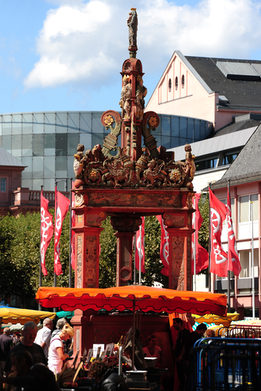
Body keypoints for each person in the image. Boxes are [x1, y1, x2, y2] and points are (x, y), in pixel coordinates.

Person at [172, 318, 192, 391]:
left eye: (175, 323)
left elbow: (185, 345)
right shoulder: (179, 333)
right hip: (179, 358)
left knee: (184, 377)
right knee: (181, 377)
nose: (173, 325)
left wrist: (181, 356)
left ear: (180, 323)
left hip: (183, 359)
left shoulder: (185, 333)